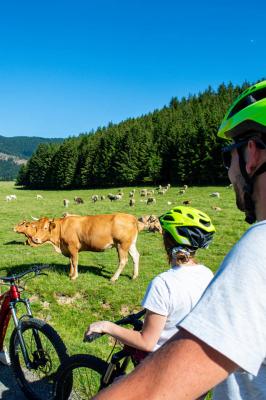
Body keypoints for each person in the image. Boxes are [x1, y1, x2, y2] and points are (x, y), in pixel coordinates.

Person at [93, 79, 266, 400]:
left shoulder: (259, 249)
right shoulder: (206, 273)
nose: (228, 171)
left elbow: (150, 392)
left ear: (251, 154)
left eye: (228, 156)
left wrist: (107, 326)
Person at [86, 206, 215, 357]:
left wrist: (106, 326)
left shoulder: (163, 284)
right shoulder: (207, 273)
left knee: (120, 381)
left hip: (162, 364)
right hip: (192, 356)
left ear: (167, 241)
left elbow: (146, 342)